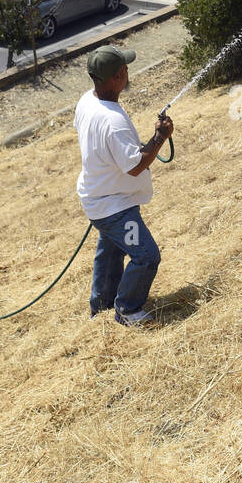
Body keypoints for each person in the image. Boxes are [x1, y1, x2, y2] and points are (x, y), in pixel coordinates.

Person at [73, 45, 174, 327]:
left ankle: (102, 306)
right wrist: (159, 138)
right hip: (114, 207)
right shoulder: (113, 121)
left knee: (112, 250)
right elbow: (134, 166)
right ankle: (127, 310)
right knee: (146, 256)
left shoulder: (86, 101)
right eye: (126, 69)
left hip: (97, 199)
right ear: (118, 76)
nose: (129, 72)